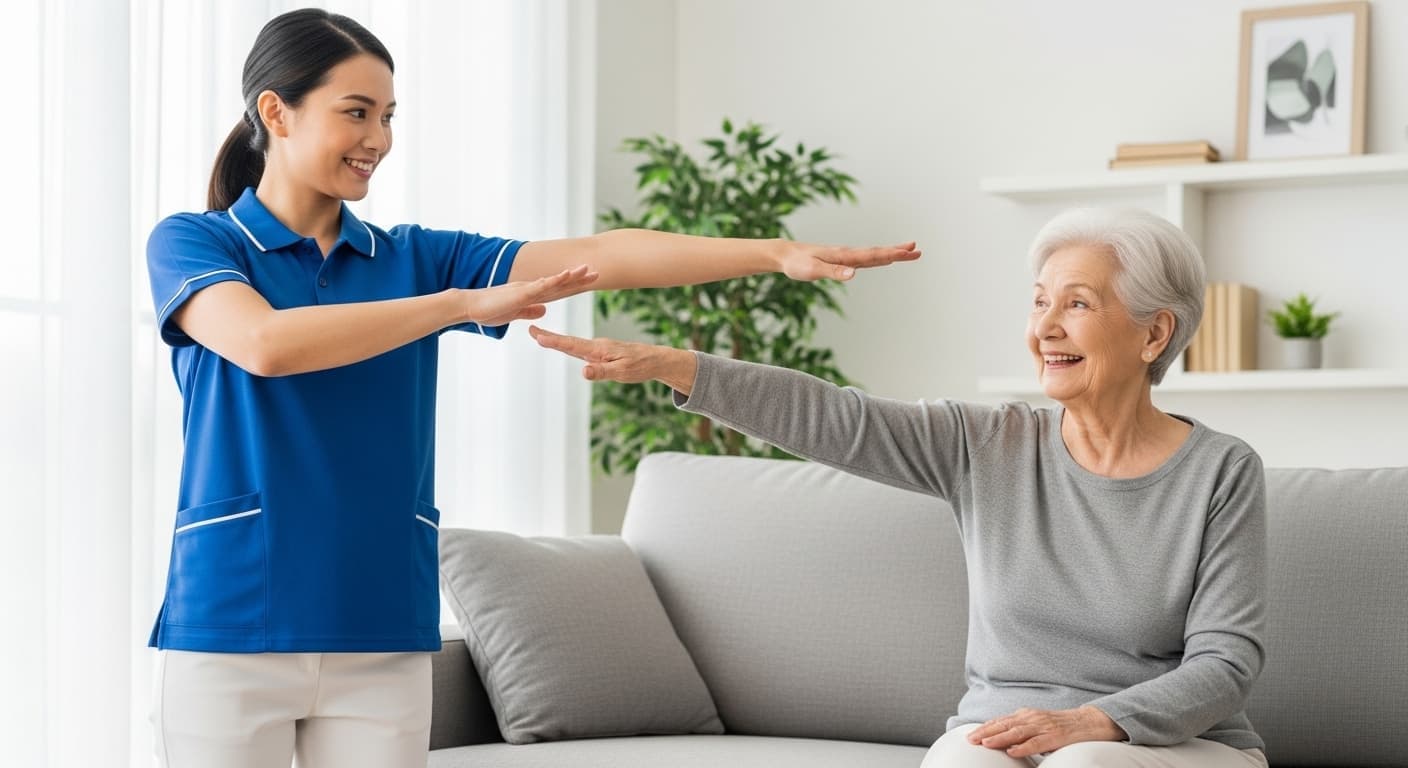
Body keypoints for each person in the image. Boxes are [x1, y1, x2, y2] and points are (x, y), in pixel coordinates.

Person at [144, 8, 918, 768]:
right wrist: (458, 306)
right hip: (233, 625)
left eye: (388, 115)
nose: (378, 139)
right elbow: (264, 345)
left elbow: (601, 254)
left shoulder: (413, 255)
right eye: (356, 113)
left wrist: (772, 253)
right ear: (275, 111)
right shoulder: (198, 242)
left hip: (380, 623)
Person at [531, 207, 1270, 768]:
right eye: (1038, 302)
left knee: (1083, 765)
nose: (1045, 327)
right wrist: (676, 366)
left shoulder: (1220, 471)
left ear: (1152, 335)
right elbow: (835, 420)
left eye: (1076, 304)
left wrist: (1088, 723)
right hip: (999, 735)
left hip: (1168, 747)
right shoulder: (989, 445)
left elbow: (1225, 666)